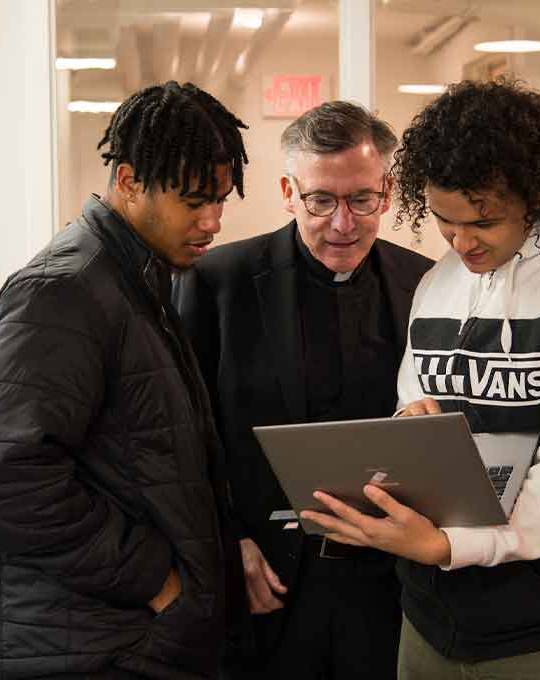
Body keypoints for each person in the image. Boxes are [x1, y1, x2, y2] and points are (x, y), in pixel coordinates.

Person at [301, 79, 540, 680]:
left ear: (537, 196)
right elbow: (414, 398)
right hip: (436, 615)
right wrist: (410, 433)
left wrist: (454, 547)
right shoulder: (446, 279)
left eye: (482, 221)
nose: (459, 241)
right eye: (443, 221)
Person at [0, 81, 250, 680]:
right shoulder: (66, 288)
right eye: (195, 200)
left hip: (117, 640)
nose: (213, 220)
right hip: (93, 650)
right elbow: (7, 479)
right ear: (128, 181)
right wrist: (157, 581)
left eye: (221, 200)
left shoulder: (136, 277)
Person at [172, 101, 434, 679]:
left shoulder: (426, 284)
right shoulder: (216, 283)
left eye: (362, 200)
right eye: (321, 200)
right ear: (289, 192)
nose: (343, 223)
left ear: (387, 193)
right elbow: (183, 435)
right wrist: (226, 542)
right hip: (267, 578)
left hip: (390, 585)